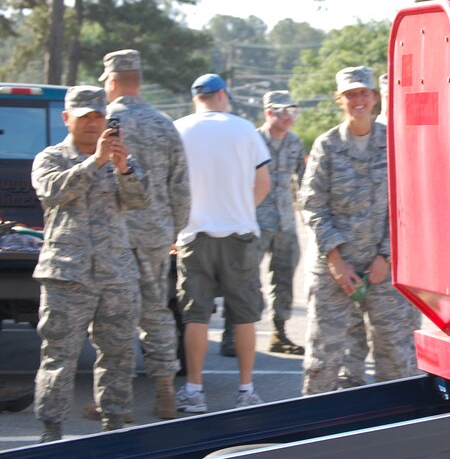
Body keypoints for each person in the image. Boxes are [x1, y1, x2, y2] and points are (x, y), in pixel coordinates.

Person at [31, 86, 148, 440]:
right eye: (84, 118)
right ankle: (51, 432)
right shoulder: (51, 158)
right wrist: (93, 162)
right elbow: (53, 192)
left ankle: (113, 426)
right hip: (67, 275)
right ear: (67, 119)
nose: (92, 124)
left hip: (115, 275)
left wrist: (124, 169)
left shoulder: (120, 158)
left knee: (118, 355)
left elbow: (139, 200)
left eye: (98, 117)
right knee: (59, 358)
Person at [299, 66, 417, 395]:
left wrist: (386, 254)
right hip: (335, 267)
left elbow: (407, 204)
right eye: (350, 94)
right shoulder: (328, 146)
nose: (358, 100)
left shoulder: (394, 142)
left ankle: (397, 427)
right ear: (340, 101)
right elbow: (312, 205)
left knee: (395, 354)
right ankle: (314, 430)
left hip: (385, 266)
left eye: (363, 92)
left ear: (375, 98)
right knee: (324, 356)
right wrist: (336, 261)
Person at [92, 49, 190, 420]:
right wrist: (173, 230)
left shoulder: (103, 122)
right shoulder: (165, 124)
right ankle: (165, 391)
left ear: (112, 81)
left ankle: (114, 399)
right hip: (154, 234)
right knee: (156, 312)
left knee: (109, 316)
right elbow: (181, 186)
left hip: (109, 234)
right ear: (138, 79)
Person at [174, 74, 271, 412]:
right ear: (223, 95)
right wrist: (242, 208)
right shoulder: (244, 128)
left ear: (196, 98)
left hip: (194, 234)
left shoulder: (179, 129)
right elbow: (263, 182)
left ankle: (194, 390)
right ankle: (246, 390)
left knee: (196, 316)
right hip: (239, 234)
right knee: (244, 315)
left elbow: (171, 185)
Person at [221, 90, 306, 356]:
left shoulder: (294, 142)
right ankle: (231, 335)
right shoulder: (251, 140)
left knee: (283, 281)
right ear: (268, 112)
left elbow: (303, 182)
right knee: (243, 279)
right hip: (253, 220)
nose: (288, 117)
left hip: (285, 224)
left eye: (292, 111)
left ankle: (279, 333)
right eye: (282, 111)